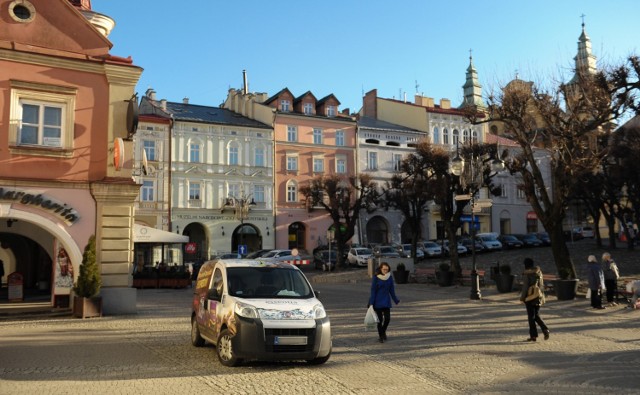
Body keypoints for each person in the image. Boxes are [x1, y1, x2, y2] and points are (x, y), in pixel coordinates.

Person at [368, 262, 400, 343]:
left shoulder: (389, 278)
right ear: (380, 269)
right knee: (379, 320)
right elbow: (373, 291)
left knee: (387, 319)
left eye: (387, 269)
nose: (385, 271)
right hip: (377, 302)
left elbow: (392, 290)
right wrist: (371, 303)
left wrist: (395, 299)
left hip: (386, 301)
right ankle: (381, 336)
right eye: (384, 269)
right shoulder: (376, 278)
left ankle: (383, 331)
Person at [519, 257, 549, 342]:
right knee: (536, 315)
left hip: (530, 297)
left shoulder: (526, 274)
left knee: (531, 317)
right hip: (538, 296)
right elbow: (541, 284)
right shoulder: (539, 272)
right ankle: (545, 329)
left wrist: (522, 298)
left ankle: (534, 336)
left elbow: (525, 287)